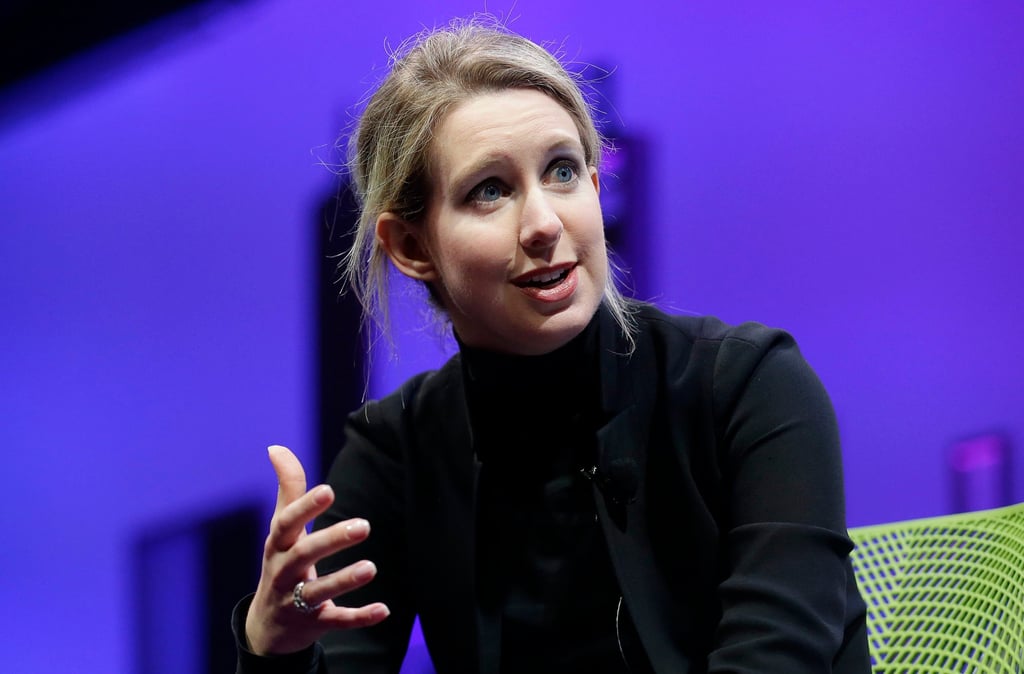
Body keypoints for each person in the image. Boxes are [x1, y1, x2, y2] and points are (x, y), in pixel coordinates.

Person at [233, 17, 871, 674]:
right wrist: (272, 648)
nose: (543, 223)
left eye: (562, 172)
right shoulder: (395, 452)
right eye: (490, 190)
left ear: (596, 190)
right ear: (412, 248)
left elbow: (777, 659)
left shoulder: (750, 386)